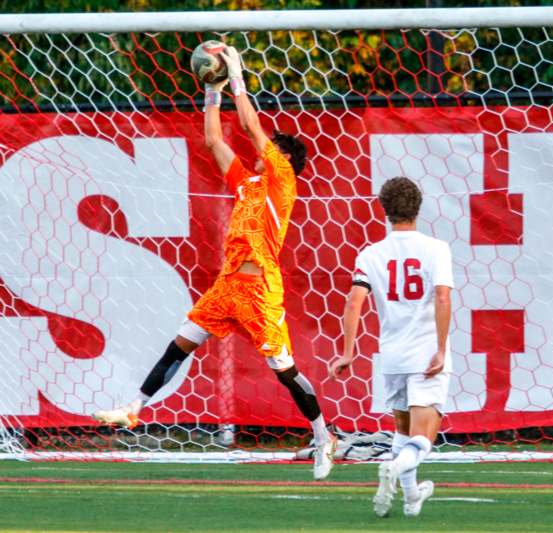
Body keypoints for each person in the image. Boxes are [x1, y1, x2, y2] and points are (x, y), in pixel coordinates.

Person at [93, 46, 336, 480]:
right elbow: (214, 141)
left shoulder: (282, 182)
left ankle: (323, 436)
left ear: (282, 160)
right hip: (228, 288)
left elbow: (248, 124)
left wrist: (238, 75)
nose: (261, 150)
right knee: (179, 344)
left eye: (270, 149)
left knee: (285, 371)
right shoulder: (248, 183)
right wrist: (212, 91)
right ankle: (134, 408)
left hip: (260, 292)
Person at [328, 177, 453, 517]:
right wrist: (441, 349)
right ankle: (394, 470)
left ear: (384, 210)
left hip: (393, 357)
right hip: (426, 355)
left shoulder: (371, 254)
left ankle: (411, 501)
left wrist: (348, 351)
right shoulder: (436, 249)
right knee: (424, 438)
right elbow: (442, 297)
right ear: (419, 208)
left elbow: (354, 302)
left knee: (402, 432)